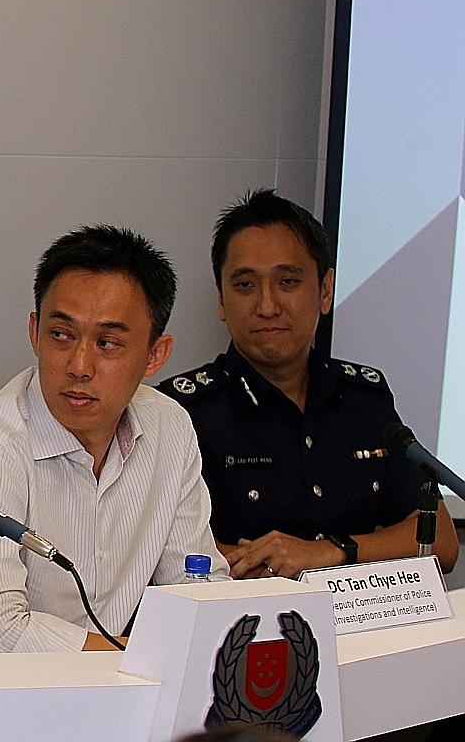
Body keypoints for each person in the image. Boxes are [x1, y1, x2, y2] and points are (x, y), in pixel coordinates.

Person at [0, 225, 226, 652]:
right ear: (34, 331)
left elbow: (195, 584)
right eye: (61, 335)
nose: (79, 365)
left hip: (116, 687)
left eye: (108, 343)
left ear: (156, 355)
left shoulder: (169, 426)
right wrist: (142, 656)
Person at [158, 189, 459, 578]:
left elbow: (441, 540)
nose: (267, 306)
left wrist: (328, 553)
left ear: (325, 290)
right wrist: (287, 571)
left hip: (364, 623)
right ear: (221, 300)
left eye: (287, 281)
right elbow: (170, 556)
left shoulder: (364, 398)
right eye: (245, 285)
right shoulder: (182, 410)